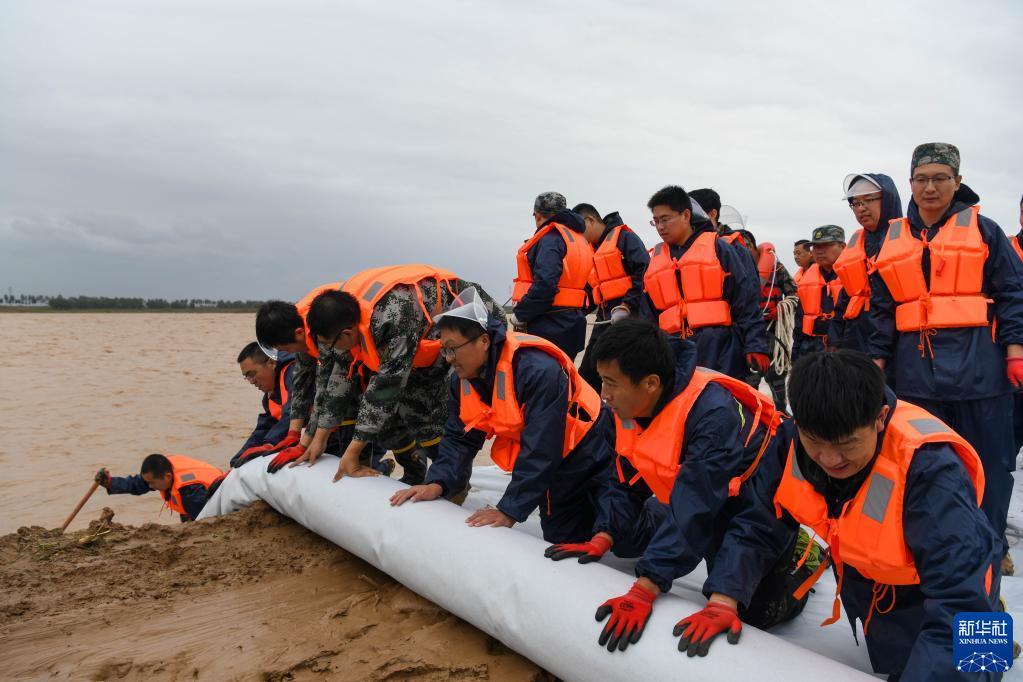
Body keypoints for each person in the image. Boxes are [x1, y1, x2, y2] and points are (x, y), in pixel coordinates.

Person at [693, 351, 1002, 680]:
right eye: (814, 441)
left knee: (973, 665)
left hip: (955, 581)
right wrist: (724, 598)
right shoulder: (792, 441)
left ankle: (996, 622)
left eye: (846, 444)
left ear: (880, 418)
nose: (829, 458)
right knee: (894, 661)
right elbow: (757, 522)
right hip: (874, 574)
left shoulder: (930, 471)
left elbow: (959, 597)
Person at [543, 319, 813, 654]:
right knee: (624, 537)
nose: (604, 394)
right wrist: (603, 536)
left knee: (751, 608)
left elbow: (697, 505)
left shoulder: (714, 415)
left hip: (753, 497)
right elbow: (625, 480)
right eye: (602, 381)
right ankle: (656, 526)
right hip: (696, 490)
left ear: (651, 384)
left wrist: (646, 587)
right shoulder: (628, 405)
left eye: (611, 383)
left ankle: (802, 555)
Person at [869, 143, 1023, 569]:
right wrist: (875, 363)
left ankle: (990, 554)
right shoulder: (892, 238)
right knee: (918, 463)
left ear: (957, 181)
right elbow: (882, 310)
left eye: (940, 178)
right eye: (921, 178)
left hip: (981, 375)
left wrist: (1016, 352)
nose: (930, 187)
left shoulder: (986, 231)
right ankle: (926, 551)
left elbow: (1012, 294)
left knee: (990, 468)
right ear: (910, 183)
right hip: (916, 378)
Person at [389, 288, 613, 544]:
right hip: (554, 453)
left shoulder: (537, 372)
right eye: (444, 350)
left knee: (617, 525)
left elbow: (542, 447)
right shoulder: (463, 381)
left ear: (483, 341)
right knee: (561, 536)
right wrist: (437, 483)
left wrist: (509, 511)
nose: (448, 359)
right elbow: (459, 438)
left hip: (590, 443)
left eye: (453, 349)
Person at [641, 185, 769, 379]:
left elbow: (746, 300)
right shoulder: (655, 261)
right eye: (655, 221)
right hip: (672, 351)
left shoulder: (719, 248)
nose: (660, 227)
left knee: (721, 405)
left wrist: (755, 345)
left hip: (721, 350)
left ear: (686, 215)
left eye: (665, 219)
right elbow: (646, 315)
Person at [573, 202, 650, 392]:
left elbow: (645, 272)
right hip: (605, 317)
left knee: (626, 373)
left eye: (577, 230)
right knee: (588, 372)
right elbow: (592, 290)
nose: (577, 237)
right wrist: (573, 311)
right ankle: (589, 418)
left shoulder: (625, 238)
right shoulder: (594, 250)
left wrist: (626, 305)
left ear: (590, 220)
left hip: (630, 317)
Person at [510, 192, 595, 360]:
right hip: (573, 324)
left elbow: (546, 285)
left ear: (538, 215)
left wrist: (521, 314)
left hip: (548, 325)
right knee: (566, 379)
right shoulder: (579, 239)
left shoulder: (551, 238)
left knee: (543, 380)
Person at [830, 174, 904, 357]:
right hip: (855, 340)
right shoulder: (857, 244)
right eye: (855, 203)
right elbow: (845, 299)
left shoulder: (909, 239)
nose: (861, 208)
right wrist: (834, 342)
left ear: (887, 200)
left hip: (899, 341)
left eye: (869, 200)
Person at [742, 234, 799, 410]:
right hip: (747, 332)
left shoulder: (776, 268)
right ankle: (752, 416)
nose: (743, 252)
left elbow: (794, 294)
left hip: (773, 331)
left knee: (777, 376)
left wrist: (780, 310)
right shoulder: (737, 267)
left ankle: (781, 413)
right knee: (749, 378)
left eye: (746, 247)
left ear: (752, 246)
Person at [95, 454, 223, 522]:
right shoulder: (162, 469)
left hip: (213, 499)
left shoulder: (190, 494)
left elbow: (208, 520)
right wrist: (110, 483)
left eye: (151, 483)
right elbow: (138, 484)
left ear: (167, 477)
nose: (149, 486)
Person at [231, 342, 297, 468]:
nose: (251, 381)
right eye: (247, 377)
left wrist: (270, 444)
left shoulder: (292, 372)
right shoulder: (269, 398)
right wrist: (237, 461)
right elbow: (263, 429)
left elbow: (293, 409)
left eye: (252, 374)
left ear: (271, 363)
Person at [793, 225, 846, 360]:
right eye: (816, 247)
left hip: (844, 348)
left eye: (826, 245)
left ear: (843, 247)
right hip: (810, 349)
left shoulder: (853, 276)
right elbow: (799, 320)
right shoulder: (807, 280)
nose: (820, 251)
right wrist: (795, 353)